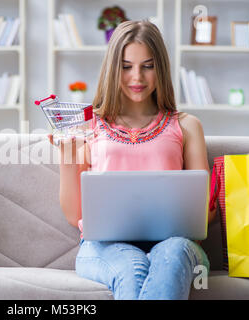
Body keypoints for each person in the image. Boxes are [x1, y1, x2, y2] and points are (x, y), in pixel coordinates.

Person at [47, 20, 216, 300]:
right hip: (105, 247)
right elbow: (74, 214)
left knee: (172, 252)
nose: (136, 77)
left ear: (160, 68)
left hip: (176, 245)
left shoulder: (187, 126)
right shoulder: (89, 127)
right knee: (132, 265)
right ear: (113, 69)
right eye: (126, 67)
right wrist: (67, 154)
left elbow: (205, 210)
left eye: (147, 66)